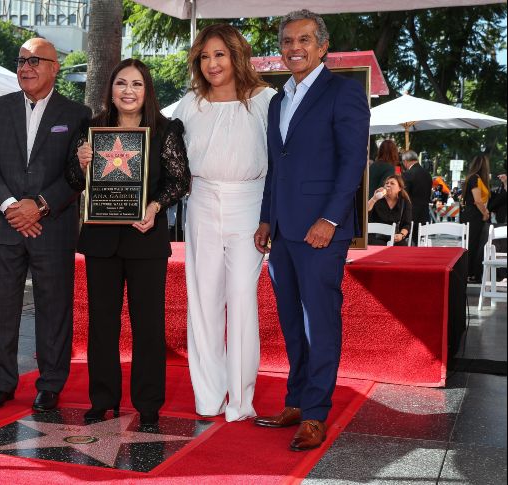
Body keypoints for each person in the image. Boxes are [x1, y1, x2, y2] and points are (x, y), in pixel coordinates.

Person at [252, 9, 370, 451]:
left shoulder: (343, 93)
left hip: (323, 230)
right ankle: (298, 401)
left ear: (323, 46)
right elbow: (274, 169)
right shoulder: (278, 99)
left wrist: (332, 219)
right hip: (282, 231)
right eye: (286, 40)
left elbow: (352, 162)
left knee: (319, 323)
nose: (294, 47)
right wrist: (267, 218)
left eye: (304, 39)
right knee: (290, 322)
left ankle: (317, 415)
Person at [65, 59, 191, 426]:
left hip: (146, 240)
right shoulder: (92, 128)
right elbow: (74, 180)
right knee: (102, 325)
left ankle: (148, 404)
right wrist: (82, 162)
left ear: (146, 89)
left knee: (147, 325)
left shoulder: (165, 130)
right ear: (111, 89)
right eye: (121, 83)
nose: (128, 91)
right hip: (100, 241)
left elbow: (180, 181)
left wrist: (153, 207)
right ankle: (103, 399)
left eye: (136, 84)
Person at [0, 38, 92, 411]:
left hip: (51, 226)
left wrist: (39, 207)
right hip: (4, 224)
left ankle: (51, 384)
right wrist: (12, 206)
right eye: (21, 60)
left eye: (35, 60)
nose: (25, 67)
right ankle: (1, 383)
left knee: (54, 308)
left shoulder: (78, 114)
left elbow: (77, 174)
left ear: (55, 67)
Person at [172, 23, 275, 422]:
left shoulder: (267, 100)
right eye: (205, 56)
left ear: (237, 55)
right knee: (203, 300)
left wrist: (271, 217)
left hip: (250, 202)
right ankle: (209, 395)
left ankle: (241, 400)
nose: (212, 63)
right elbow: (165, 153)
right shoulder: (190, 104)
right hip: (199, 200)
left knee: (242, 301)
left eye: (220, 54)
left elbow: (281, 162)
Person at [461, 153, 491, 283]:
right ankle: (470, 273)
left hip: (473, 214)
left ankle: (471, 272)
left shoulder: (474, 178)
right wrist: (485, 213)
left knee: (474, 244)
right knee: (473, 244)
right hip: (474, 215)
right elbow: (477, 201)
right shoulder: (475, 178)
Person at [367, 174, 412, 245]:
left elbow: (407, 224)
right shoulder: (377, 200)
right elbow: (365, 213)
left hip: (394, 237)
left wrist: (401, 235)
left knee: (402, 245)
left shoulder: (404, 202)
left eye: (392, 183)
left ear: (399, 188)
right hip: (376, 236)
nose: (388, 185)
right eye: (386, 183)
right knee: (378, 244)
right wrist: (374, 198)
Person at [401, 150, 432, 245]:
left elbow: (404, 196)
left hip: (411, 215)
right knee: (420, 243)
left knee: (410, 243)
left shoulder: (408, 174)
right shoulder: (427, 174)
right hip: (425, 214)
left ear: (405, 161)